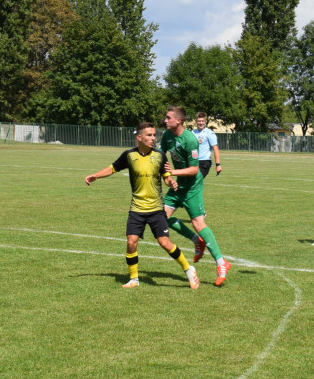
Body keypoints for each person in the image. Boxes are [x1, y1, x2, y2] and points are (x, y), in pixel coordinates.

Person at [84, 121, 199, 289]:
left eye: (154, 135)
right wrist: (96, 176)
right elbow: (112, 168)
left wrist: (171, 183)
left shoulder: (160, 155)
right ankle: (134, 279)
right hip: (137, 209)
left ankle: (188, 269)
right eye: (149, 135)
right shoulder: (129, 155)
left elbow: (166, 177)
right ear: (139, 137)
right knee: (131, 242)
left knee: (165, 243)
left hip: (155, 209)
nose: (153, 138)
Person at [161, 105, 230, 286]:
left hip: (192, 185)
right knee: (161, 217)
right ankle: (196, 242)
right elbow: (161, 156)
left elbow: (193, 169)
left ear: (179, 120)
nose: (165, 120)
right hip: (177, 185)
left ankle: (221, 263)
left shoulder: (190, 140)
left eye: (168, 118)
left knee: (198, 223)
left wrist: (172, 173)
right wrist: (166, 175)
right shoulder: (167, 136)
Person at [191, 112, 222, 180]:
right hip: (193, 161)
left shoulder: (209, 133)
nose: (201, 123)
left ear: (205, 122)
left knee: (196, 181)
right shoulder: (192, 133)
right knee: (190, 183)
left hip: (204, 162)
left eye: (202, 121)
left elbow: (215, 148)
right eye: (199, 121)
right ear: (196, 121)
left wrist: (218, 165)